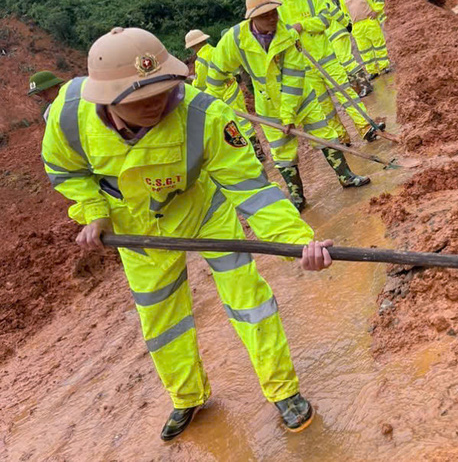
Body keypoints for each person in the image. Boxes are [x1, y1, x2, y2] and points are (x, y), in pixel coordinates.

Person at [42, 26, 334, 440]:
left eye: (162, 91)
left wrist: (298, 242)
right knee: (163, 320)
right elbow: (65, 171)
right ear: (106, 99)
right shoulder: (68, 116)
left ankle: (284, 391)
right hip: (136, 229)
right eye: (139, 99)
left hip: (202, 211)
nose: (156, 105)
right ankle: (187, 397)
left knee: (249, 300)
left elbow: (252, 189)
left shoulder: (204, 115)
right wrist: (94, 212)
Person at [208, 0, 371, 211]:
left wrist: (288, 116)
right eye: (265, 15)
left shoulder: (287, 35)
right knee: (281, 152)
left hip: (301, 98)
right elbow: (216, 71)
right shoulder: (235, 40)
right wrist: (216, 103)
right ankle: (297, 198)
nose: (272, 18)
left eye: (274, 12)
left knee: (324, 135)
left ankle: (346, 176)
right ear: (252, 18)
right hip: (267, 106)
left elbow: (293, 78)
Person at [270, 0, 383, 144]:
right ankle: (341, 137)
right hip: (305, 66)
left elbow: (325, 20)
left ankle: (365, 126)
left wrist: (303, 25)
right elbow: (279, 37)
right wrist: (292, 33)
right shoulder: (276, 9)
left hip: (326, 58)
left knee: (346, 93)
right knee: (324, 106)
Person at [185, 29, 265, 162]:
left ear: (193, 46)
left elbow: (199, 84)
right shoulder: (217, 51)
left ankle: (250, 152)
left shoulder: (201, 61)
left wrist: (192, 84)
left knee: (233, 124)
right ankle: (257, 150)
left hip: (222, 93)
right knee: (243, 120)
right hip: (232, 87)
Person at [300, 0, 372, 97]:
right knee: (342, 62)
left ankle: (364, 84)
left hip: (336, 33)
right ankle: (357, 87)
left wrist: (345, 23)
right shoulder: (313, 1)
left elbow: (334, 12)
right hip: (333, 35)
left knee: (346, 60)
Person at [338, 0, 392, 79]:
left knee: (378, 45)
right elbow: (344, 13)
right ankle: (372, 71)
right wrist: (349, 25)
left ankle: (384, 66)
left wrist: (376, 10)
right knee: (364, 50)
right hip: (357, 25)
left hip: (370, 20)